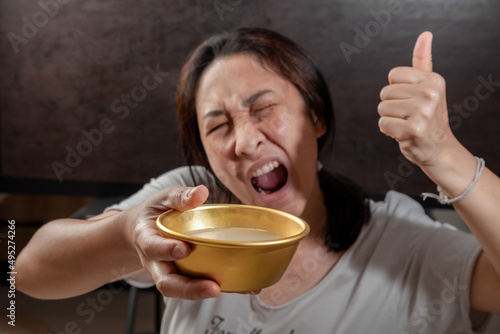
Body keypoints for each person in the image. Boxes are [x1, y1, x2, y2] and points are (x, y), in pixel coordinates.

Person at [16, 28, 500, 333]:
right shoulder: (193, 206)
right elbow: (30, 273)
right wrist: (129, 237)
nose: (244, 141)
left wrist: (443, 154)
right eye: (217, 126)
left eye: (263, 108)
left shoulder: (398, 239)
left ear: (316, 117)